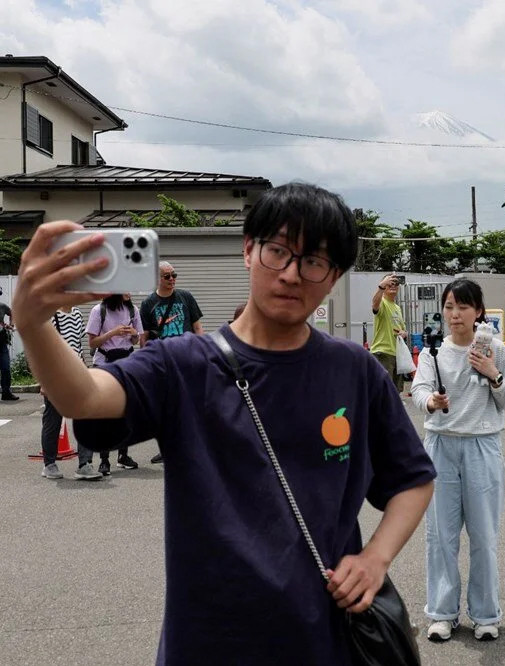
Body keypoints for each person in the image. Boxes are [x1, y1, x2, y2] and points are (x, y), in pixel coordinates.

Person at [13, 183, 436, 664]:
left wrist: (375, 557)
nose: (293, 274)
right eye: (278, 251)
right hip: (208, 640)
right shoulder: (180, 365)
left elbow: (413, 479)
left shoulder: (354, 371)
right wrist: (32, 323)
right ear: (249, 250)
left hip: (324, 638)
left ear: (334, 276)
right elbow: (83, 397)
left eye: (314, 261)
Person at [410, 278, 505, 643]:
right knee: (440, 535)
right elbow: (419, 390)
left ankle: (486, 615)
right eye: (450, 307)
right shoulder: (432, 351)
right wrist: (431, 403)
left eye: (463, 307)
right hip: (440, 445)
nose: (455, 315)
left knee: (484, 536)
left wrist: (493, 373)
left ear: (478, 312)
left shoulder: (496, 349)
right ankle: (442, 614)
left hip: (483, 445)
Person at [140, 262, 203, 464]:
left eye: (174, 275)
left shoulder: (186, 297)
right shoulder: (149, 303)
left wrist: (202, 351)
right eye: (167, 276)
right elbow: (145, 337)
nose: (172, 279)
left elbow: (197, 326)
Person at [41, 305, 102, 481]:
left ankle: (84, 464)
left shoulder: (76, 314)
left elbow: (78, 346)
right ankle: (49, 464)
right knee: (53, 420)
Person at [86, 294, 143, 474]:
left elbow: (137, 340)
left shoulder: (133, 310)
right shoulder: (98, 311)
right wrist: (113, 333)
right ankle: (104, 459)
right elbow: (92, 342)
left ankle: (123, 455)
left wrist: (134, 334)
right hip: (104, 363)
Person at [370, 273, 407, 392]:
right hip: (383, 353)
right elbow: (375, 305)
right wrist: (380, 287)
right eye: (390, 283)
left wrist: (403, 333)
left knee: (396, 391)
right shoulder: (382, 302)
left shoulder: (397, 307)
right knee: (383, 390)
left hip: (397, 354)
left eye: (396, 284)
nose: (393, 285)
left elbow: (404, 329)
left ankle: (393, 410)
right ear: (385, 286)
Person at [0, 286, 16, 401]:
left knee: (5, 367)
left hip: (1, 341)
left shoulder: (2, 306)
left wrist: (11, 324)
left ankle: (6, 392)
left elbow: (12, 313)